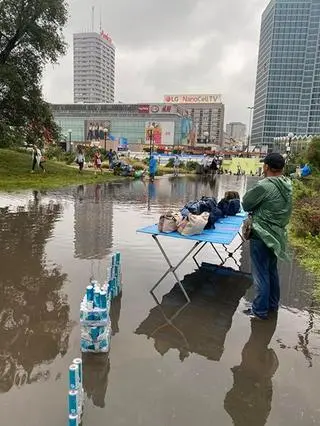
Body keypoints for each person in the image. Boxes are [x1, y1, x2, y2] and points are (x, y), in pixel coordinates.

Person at [242, 153, 292, 320]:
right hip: (277, 235)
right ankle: (272, 305)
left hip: (261, 234)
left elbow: (246, 203)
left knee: (261, 273)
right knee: (271, 271)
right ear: (282, 168)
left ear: (266, 167)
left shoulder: (265, 185)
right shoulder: (287, 184)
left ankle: (259, 311)